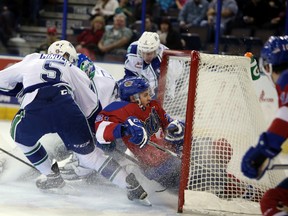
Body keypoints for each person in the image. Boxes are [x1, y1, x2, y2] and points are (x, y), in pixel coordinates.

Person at [0, 40, 150, 205]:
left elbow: (3, 80)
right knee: (91, 157)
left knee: (19, 135)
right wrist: (100, 134)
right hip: (68, 111)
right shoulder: (73, 68)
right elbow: (91, 108)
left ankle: (51, 175)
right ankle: (130, 185)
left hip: (37, 109)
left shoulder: (33, 59)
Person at [95, 76, 184, 189]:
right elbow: (101, 128)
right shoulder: (120, 110)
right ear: (134, 98)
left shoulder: (153, 105)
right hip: (157, 167)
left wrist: (176, 127)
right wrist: (123, 129)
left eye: (149, 93)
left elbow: (167, 123)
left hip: (174, 154)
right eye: (145, 95)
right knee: (185, 181)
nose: (149, 97)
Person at [241, 35, 288, 216]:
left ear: (268, 66)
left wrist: (261, 152)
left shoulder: (285, 79)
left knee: (272, 200)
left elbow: (284, 122)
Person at [124, 31, 168, 98]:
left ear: (156, 50)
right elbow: (129, 74)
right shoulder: (133, 49)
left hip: (173, 83)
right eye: (143, 53)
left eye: (149, 53)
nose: (145, 56)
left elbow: (154, 87)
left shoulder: (164, 56)